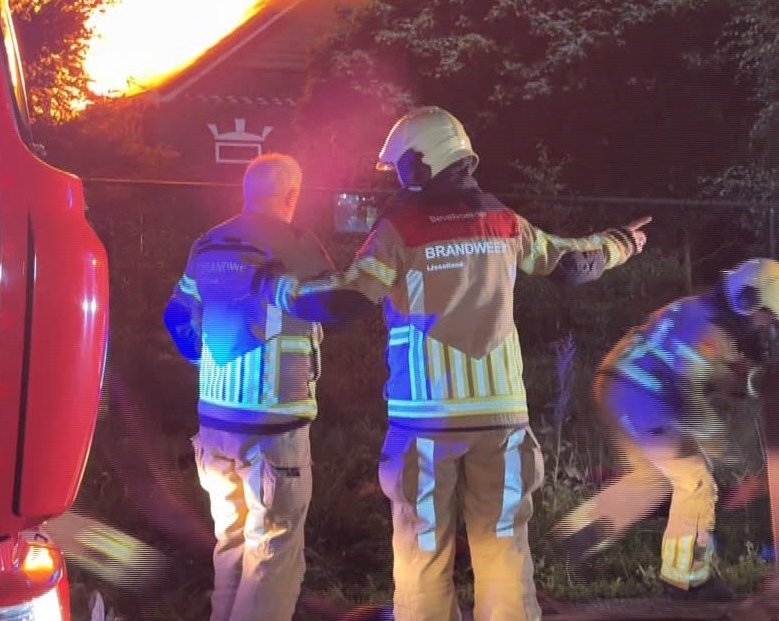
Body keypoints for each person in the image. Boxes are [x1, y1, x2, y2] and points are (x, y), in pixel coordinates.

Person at [270, 106, 649, 621]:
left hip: (427, 421)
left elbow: (346, 299)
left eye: (402, 165)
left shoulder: (399, 227)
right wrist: (623, 242)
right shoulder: (503, 221)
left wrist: (276, 288)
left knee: (424, 555)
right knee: (504, 552)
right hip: (502, 422)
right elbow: (574, 262)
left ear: (422, 162)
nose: (399, 177)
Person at [552, 257, 779, 601]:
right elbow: (690, 391)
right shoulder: (709, 329)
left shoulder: (706, 316)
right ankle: (687, 581)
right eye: (768, 320)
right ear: (748, 302)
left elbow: (710, 371)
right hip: (641, 392)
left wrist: (753, 383)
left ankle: (579, 533)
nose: (768, 331)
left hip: (622, 385)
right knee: (695, 479)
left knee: (655, 479)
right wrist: (718, 448)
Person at [163, 152, 337, 621]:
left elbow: (178, 314)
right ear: (292, 195)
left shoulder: (209, 242)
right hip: (273, 428)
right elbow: (334, 302)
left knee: (232, 542)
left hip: (215, 425)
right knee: (274, 551)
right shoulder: (296, 240)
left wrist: (201, 358)